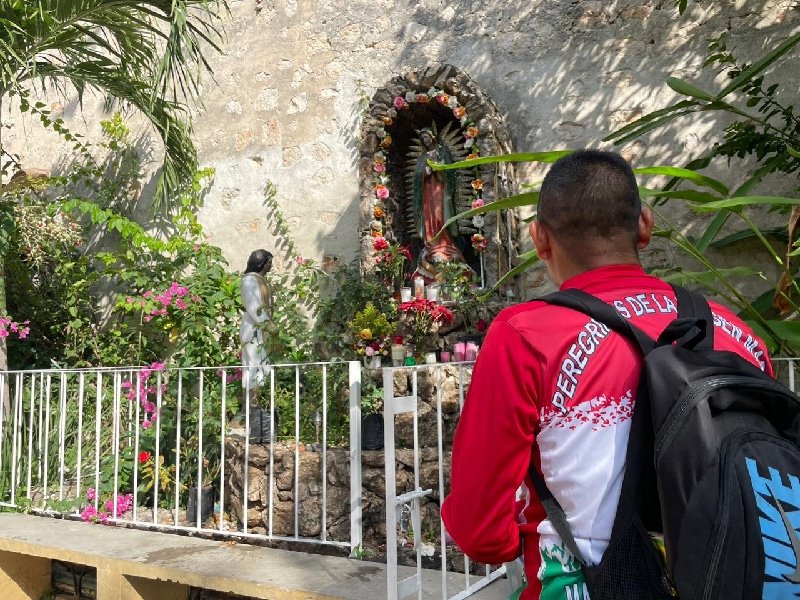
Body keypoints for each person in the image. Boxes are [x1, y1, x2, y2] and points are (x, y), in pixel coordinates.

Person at [440, 150, 773, 599]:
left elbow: (480, 531)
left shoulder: (525, 335)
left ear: (539, 240)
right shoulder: (733, 331)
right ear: (645, 226)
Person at [411, 127, 466, 281]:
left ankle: (446, 243)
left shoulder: (443, 153)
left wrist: (439, 170)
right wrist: (425, 173)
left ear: (433, 137)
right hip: (427, 193)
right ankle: (431, 245)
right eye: (423, 139)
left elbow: (450, 172)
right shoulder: (422, 158)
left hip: (441, 192)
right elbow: (417, 178)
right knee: (430, 219)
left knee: (441, 216)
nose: (425, 140)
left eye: (427, 137)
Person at [240, 249, 274, 406]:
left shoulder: (259, 279)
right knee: (254, 364)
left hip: (261, 327)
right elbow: (254, 306)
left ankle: (260, 405)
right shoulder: (249, 280)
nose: (271, 266)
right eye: (269, 263)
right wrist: (267, 325)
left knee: (262, 364)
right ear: (261, 264)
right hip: (253, 327)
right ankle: (252, 406)